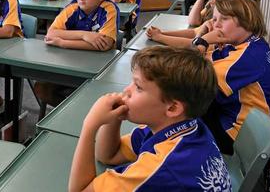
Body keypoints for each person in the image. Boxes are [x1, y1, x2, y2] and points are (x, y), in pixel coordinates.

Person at [68, 46, 229, 192]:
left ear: (172, 108)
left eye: (138, 87)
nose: (127, 90)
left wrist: (89, 126)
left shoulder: (161, 167)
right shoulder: (187, 125)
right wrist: (114, 118)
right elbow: (109, 156)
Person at [191, 0, 270, 154]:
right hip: (243, 122)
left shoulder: (247, 57)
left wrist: (202, 40)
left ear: (247, 20)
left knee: (180, 107)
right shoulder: (252, 44)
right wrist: (203, 42)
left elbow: (188, 74)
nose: (217, 25)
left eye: (225, 18)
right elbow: (208, 58)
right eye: (214, 19)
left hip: (240, 140)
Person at [35, 0, 119, 108]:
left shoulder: (108, 9)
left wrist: (63, 42)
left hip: (99, 69)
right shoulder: (73, 7)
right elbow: (51, 34)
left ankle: (85, 115)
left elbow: (105, 44)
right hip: (70, 65)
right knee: (42, 87)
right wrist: (84, 35)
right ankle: (72, 113)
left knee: (97, 98)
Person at [147, 0, 257, 48]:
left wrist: (160, 37)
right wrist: (161, 33)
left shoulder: (231, 26)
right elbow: (194, 32)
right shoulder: (220, 18)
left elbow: (192, 45)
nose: (212, 1)